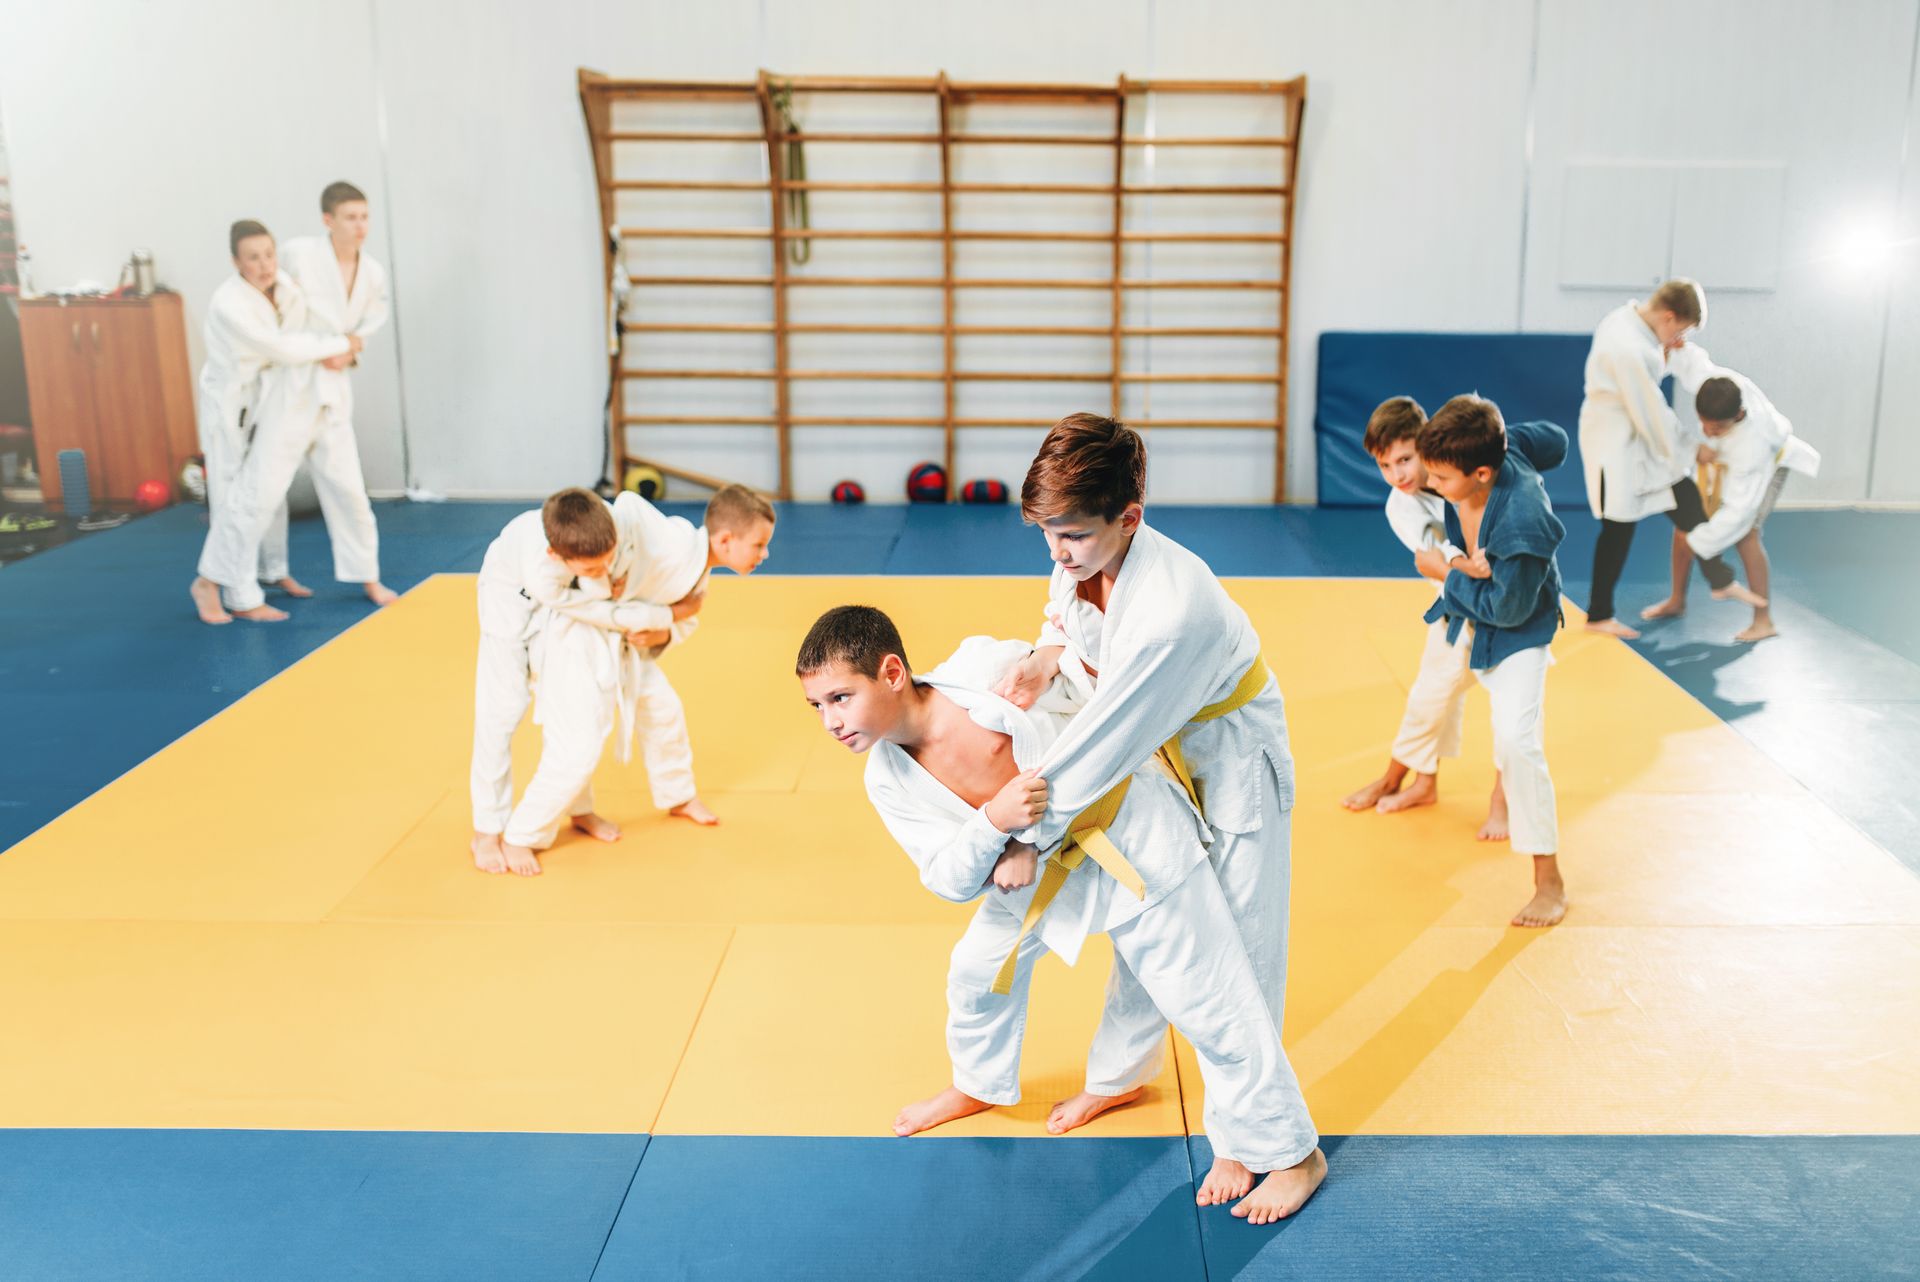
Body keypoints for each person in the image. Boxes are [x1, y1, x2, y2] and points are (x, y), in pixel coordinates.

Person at [798, 606, 1324, 1225]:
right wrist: (995, 825)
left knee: (1204, 996)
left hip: (1130, 835)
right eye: (817, 707)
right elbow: (945, 876)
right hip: (1037, 873)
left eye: (840, 698)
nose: (831, 722)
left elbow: (1105, 701)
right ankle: (983, 1081)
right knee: (976, 970)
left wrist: (1049, 659)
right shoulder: (887, 778)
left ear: (890, 672)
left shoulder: (980, 667)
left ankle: (1286, 1152)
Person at [989, 413, 1298, 1206]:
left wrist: (1025, 832)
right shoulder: (1082, 552)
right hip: (1159, 745)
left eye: (1072, 535)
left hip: (1229, 759)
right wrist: (1042, 658)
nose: (1057, 552)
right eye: (1046, 534)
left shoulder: (1172, 611)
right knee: (1149, 919)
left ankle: (1276, 1148)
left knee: (1236, 954)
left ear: (1130, 517)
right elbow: (1065, 614)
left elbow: (1101, 746)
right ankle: (1122, 1076)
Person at [489, 485, 776, 876]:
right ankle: (520, 835)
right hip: (575, 646)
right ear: (726, 539)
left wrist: (664, 630)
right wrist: (630, 596)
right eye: (759, 545)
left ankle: (673, 797)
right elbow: (627, 508)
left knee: (663, 710)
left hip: (620, 646)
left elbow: (681, 620)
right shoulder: (670, 540)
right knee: (578, 746)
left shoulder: (697, 572)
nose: (764, 555)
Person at [1414, 396, 1570, 927]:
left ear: (1481, 473)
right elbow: (1556, 440)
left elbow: (1509, 608)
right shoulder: (1500, 448)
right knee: (1429, 697)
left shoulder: (1523, 520)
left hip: (1517, 631)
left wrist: (1446, 572)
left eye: (1440, 477)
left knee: (1517, 741)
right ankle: (1418, 780)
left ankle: (1548, 880)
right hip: (1469, 619)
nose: (1429, 483)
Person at [1339, 396, 1513, 833]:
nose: (1397, 474)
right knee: (1431, 697)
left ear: (1426, 444)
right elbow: (1436, 556)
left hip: (1505, 608)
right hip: (1455, 605)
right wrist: (1467, 566)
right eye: (1384, 466)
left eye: (1404, 459)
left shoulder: (1461, 471)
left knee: (1511, 709)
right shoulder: (1400, 506)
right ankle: (1418, 781)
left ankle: (1502, 800)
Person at [188, 221, 359, 624]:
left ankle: (272, 571)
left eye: (269, 254)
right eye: (253, 257)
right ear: (236, 262)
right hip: (230, 406)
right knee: (239, 497)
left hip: (268, 399)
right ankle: (228, 590)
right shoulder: (229, 304)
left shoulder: (283, 284)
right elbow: (281, 348)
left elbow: (304, 328)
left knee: (272, 493)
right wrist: (341, 345)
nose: (265, 265)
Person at [1577, 279, 1761, 639]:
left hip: (1636, 437)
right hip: (1616, 441)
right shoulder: (1629, 347)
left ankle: (1717, 579)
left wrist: (1665, 351)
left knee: (1687, 501)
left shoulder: (1626, 320)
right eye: (1681, 329)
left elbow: (1646, 390)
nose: (1680, 338)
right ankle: (1599, 615)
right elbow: (1652, 412)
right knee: (1618, 525)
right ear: (1669, 316)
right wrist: (1695, 449)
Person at [1646, 348, 1819, 642]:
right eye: (1703, 424)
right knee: (1686, 523)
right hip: (1729, 458)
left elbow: (1739, 512)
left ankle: (1763, 621)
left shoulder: (1754, 448)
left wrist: (1701, 543)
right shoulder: (1715, 384)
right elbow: (1694, 364)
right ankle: (1677, 601)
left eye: (1716, 428)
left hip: (1772, 463)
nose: (1708, 432)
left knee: (1746, 534)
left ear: (1738, 415)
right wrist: (1673, 350)